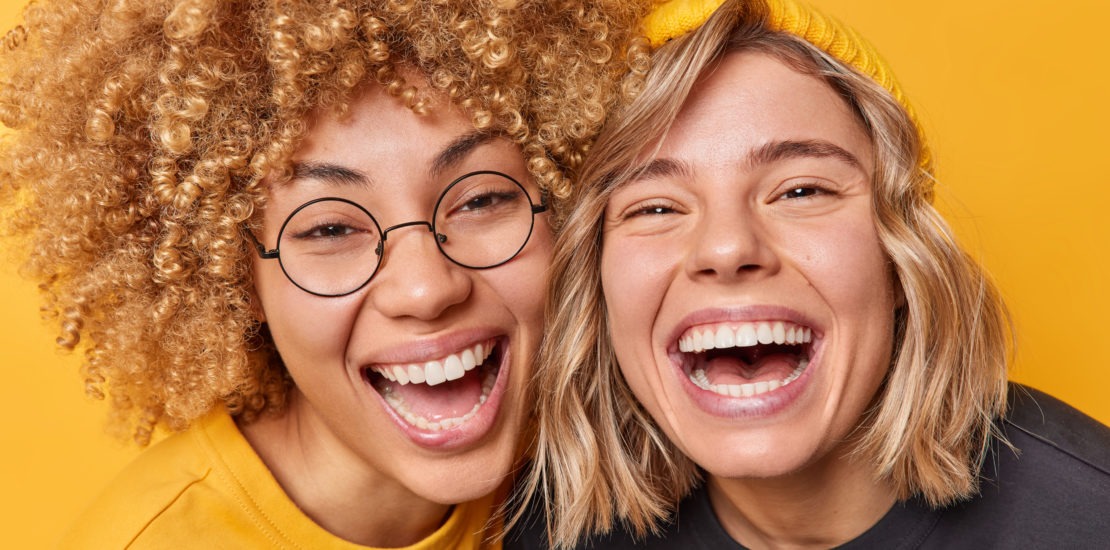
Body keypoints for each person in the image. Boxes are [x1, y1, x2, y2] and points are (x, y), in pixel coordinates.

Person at [0, 0, 646, 547]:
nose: (426, 287)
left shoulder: (618, 460)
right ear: (231, 276)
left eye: (481, 200)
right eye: (330, 230)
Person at [523, 0, 1110, 548]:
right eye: (654, 207)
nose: (727, 248)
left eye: (801, 190)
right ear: (595, 283)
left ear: (901, 256)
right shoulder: (546, 531)